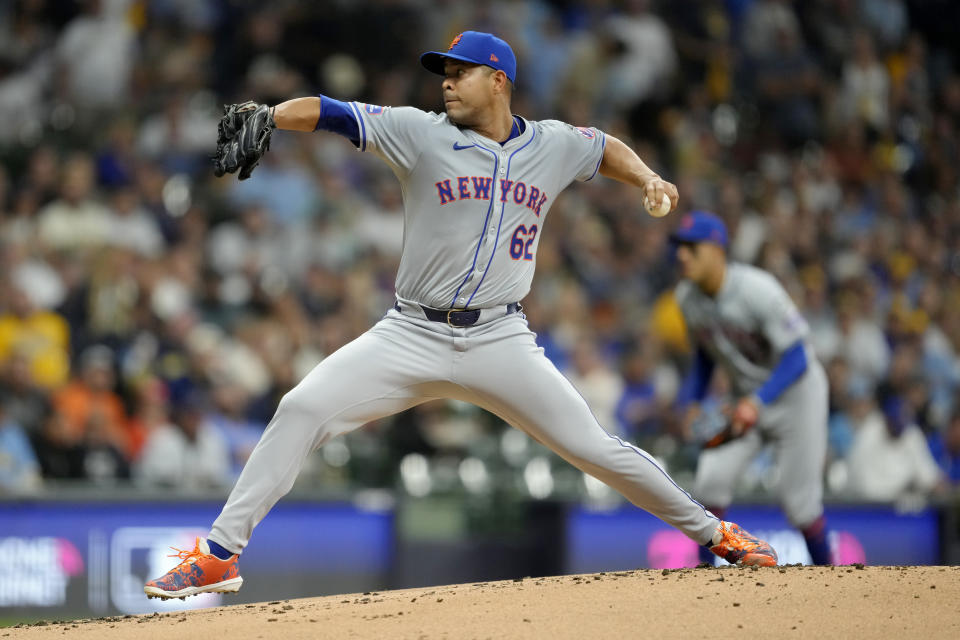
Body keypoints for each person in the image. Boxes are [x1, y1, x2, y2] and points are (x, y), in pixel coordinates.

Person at [144, 31, 777, 600]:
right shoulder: (420, 132)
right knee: (301, 408)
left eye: (460, 71)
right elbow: (335, 113)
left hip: (501, 336)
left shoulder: (551, 145)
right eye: (443, 71)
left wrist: (647, 177)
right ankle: (220, 556)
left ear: (498, 80)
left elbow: (602, 147)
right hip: (410, 332)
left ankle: (718, 535)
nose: (446, 81)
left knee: (594, 448)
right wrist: (271, 116)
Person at [671, 211, 833, 565]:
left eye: (691, 247)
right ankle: (702, 581)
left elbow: (798, 357)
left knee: (800, 505)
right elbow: (704, 357)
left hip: (797, 396)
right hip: (745, 398)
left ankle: (835, 581)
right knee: (710, 483)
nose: (682, 255)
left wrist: (757, 403)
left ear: (717, 249)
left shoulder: (757, 289)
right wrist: (693, 402)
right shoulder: (686, 298)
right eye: (679, 247)